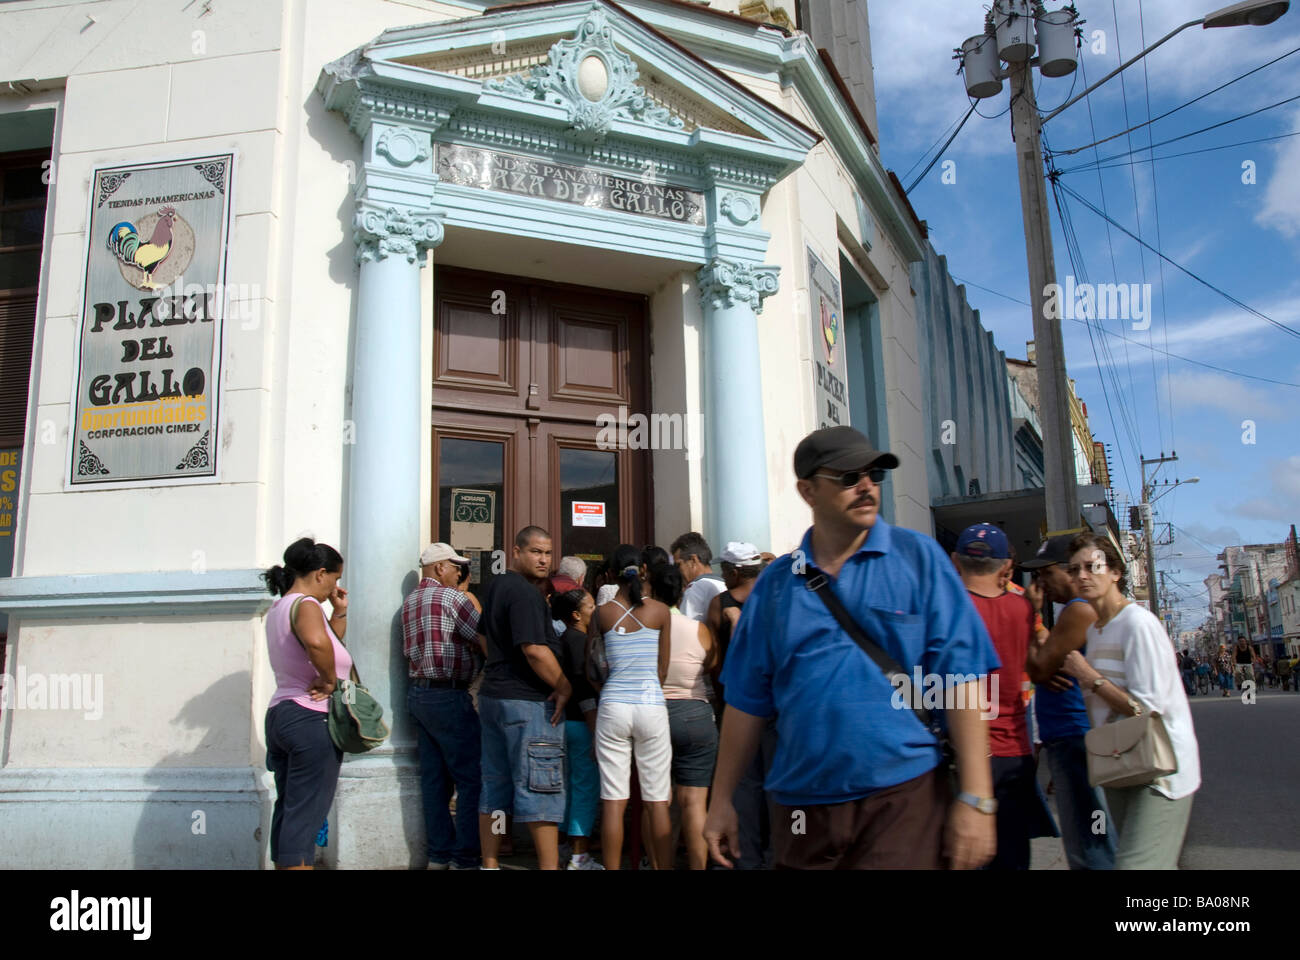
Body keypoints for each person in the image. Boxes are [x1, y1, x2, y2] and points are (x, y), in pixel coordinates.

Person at [704, 426, 1000, 870]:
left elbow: (961, 680)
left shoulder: (919, 558)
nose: (865, 486)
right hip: (801, 809)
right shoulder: (776, 586)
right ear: (808, 490)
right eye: (847, 477)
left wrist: (977, 798)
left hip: (902, 798)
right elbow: (745, 703)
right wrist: (722, 799)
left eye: (873, 474)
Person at [1059, 533, 1200, 870]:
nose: (1082, 576)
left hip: (1161, 770)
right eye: (1074, 569)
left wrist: (1088, 675)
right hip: (1120, 764)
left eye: (1092, 567)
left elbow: (1145, 709)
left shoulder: (1138, 624)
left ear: (1116, 572)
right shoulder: (1097, 630)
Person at [953, 523, 1058, 870]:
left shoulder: (946, 610)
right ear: (1007, 567)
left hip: (960, 753)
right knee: (1011, 854)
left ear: (956, 561)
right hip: (1013, 749)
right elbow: (1036, 657)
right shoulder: (1023, 609)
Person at [477, 526, 570, 870]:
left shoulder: (498, 586)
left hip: (493, 698)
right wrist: (564, 686)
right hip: (527, 704)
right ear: (515, 551)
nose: (544, 559)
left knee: (497, 787)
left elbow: (483, 637)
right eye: (535, 552)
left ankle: (490, 862)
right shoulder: (525, 594)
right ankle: (549, 866)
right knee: (540, 786)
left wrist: (501, 666)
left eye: (547, 553)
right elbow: (534, 650)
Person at [1022, 533, 1116, 870]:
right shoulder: (1075, 612)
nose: (1041, 583)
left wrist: (1032, 619)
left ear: (1069, 571)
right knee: (1090, 834)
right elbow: (1044, 663)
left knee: (1089, 841)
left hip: (1074, 739)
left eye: (1046, 573)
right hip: (1070, 737)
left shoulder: (1077, 611)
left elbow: (1038, 666)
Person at [262, 538, 352, 870]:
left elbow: (326, 643)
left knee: (290, 810)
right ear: (320, 573)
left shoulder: (281, 606)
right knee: (306, 816)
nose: (335, 585)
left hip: (282, 714)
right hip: (310, 718)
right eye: (335, 577)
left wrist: (338, 614)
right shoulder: (307, 605)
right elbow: (316, 643)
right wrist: (329, 680)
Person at [402, 543, 483, 870]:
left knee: (434, 781)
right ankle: (466, 857)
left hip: (419, 695)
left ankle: (439, 855)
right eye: (454, 566)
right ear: (439, 568)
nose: (458, 573)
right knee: (471, 779)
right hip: (449, 694)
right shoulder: (452, 598)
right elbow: (483, 634)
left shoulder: (409, 602)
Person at [594, 544, 674, 870]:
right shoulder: (661, 612)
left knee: (614, 801)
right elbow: (663, 671)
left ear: (611, 575)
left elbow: (592, 666)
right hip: (650, 703)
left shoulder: (602, 614)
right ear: (643, 571)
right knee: (657, 801)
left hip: (613, 704)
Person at [705, 541, 775, 869]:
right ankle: (779, 853)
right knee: (776, 784)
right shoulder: (776, 595)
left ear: (733, 573)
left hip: (735, 704)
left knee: (743, 786)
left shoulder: (721, 603)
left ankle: (743, 858)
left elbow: (712, 658)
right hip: (777, 708)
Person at [649, 559, 718, 870]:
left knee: (658, 801)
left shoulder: (643, 629)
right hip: (696, 713)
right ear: (683, 592)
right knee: (694, 803)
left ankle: (657, 864)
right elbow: (712, 666)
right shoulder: (699, 630)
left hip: (653, 713)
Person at [550, 588, 605, 870]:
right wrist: (595, 728)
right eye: (591, 606)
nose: (596, 610)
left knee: (567, 787)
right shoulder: (580, 641)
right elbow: (583, 687)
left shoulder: (563, 639)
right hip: (582, 723)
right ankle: (579, 855)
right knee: (585, 787)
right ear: (576, 615)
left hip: (563, 723)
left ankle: (562, 848)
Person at [671, 532, 727, 621]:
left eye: (678, 565)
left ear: (693, 560)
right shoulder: (724, 583)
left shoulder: (695, 590)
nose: (677, 571)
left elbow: (687, 630)